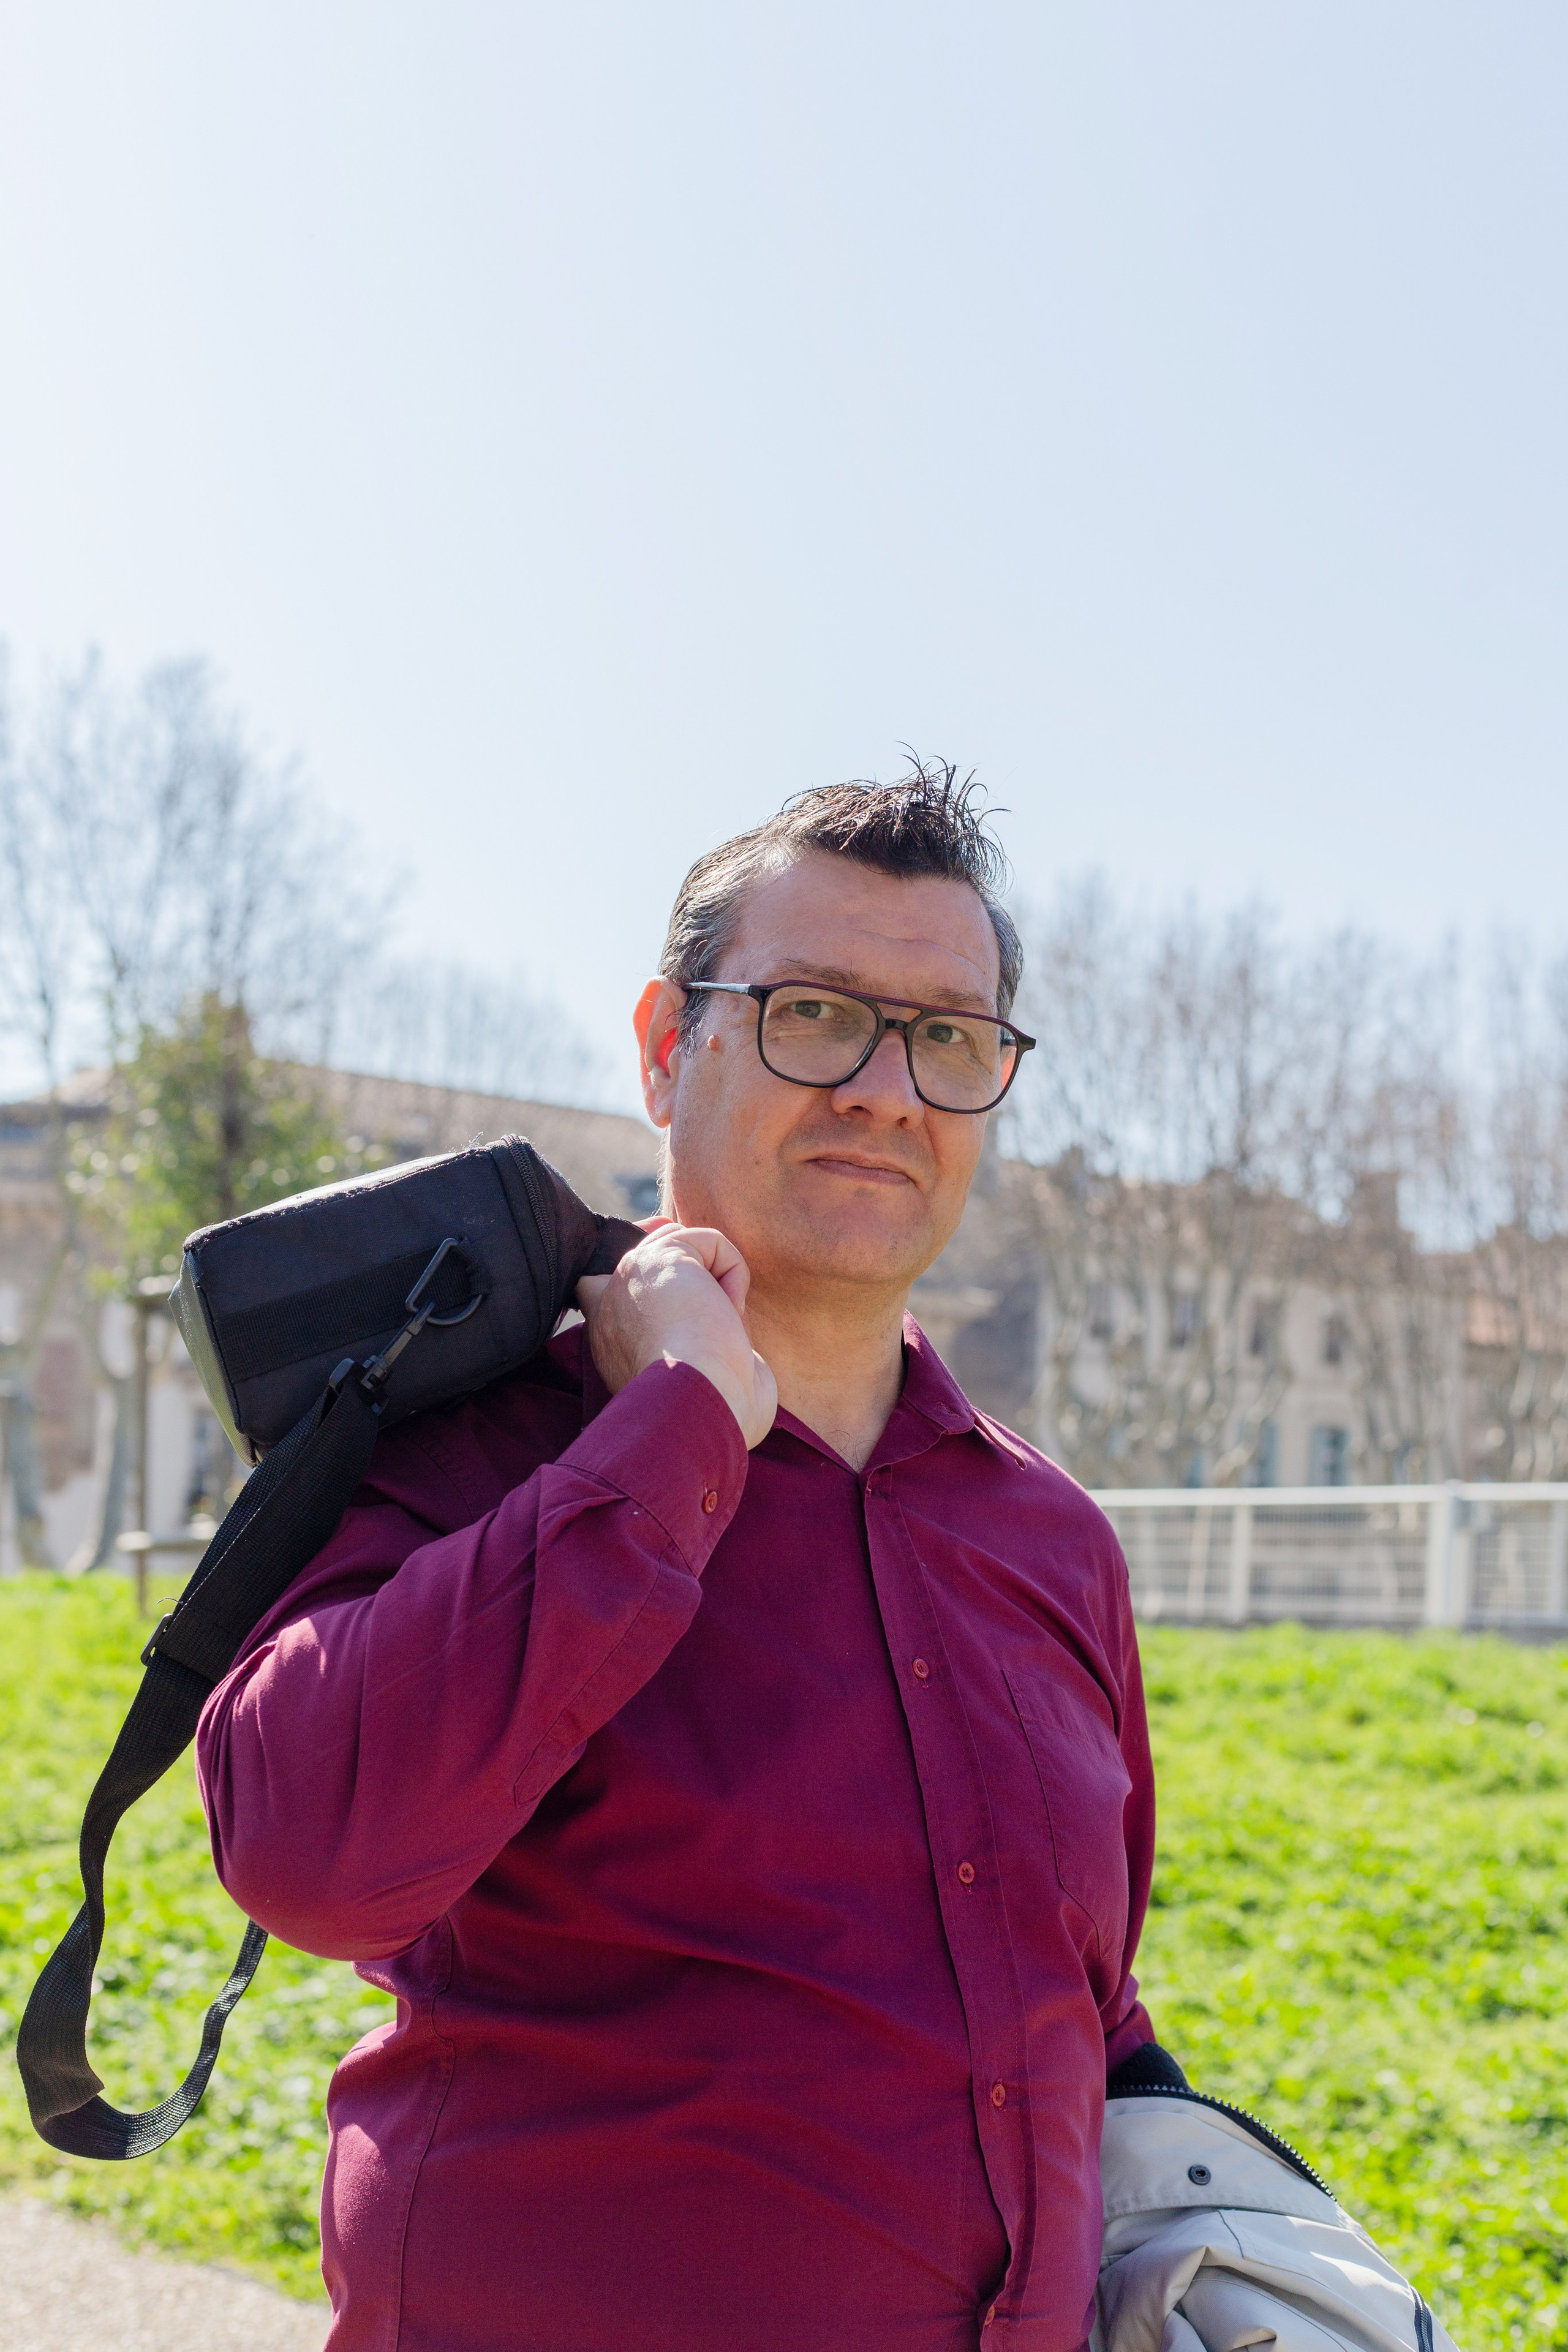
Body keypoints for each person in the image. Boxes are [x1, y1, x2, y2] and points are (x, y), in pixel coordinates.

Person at [196, 764, 1163, 2352]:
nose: (885, 1089)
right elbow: (307, 1850)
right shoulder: (468, 1453)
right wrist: (680, 1430)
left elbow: (1082, 1988)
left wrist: (1197, 2164)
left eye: (948, 1037)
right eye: (814, 1013)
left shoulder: (1049, 1539)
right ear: (667, 1047)